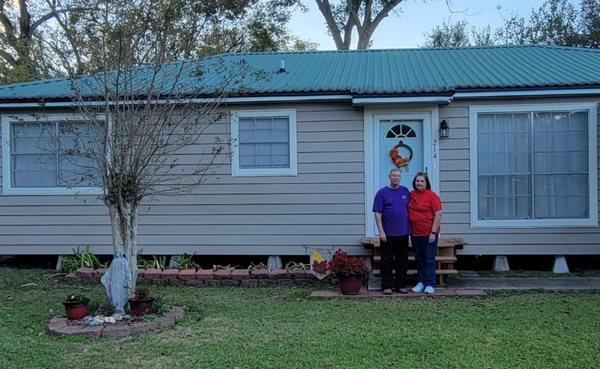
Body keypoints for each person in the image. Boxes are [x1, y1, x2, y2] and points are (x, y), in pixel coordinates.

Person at [373, 168, 411, 295]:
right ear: (389, 176)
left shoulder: (405, 191)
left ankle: (401, 285)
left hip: (403, 233)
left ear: (401, 178)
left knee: (402, 261)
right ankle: (386, 286)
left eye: (398, 176)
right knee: (387, 261)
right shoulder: (382, 193)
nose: (396, 177)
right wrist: (381, 231)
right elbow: (377, 213)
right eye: (393, 175)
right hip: (387, 234)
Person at [408, 172, 442, 295]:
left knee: (428, 259)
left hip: (429, 233)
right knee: (419, 258)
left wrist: (433, 232)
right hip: (415, 233)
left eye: (422, 181)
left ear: (426, 182)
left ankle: (430, 284)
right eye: (417, 181)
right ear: (414, 182)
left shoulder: (432, 196)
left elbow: (438, 214)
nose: (419, 183)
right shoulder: (411, 194)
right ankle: (421, 282)